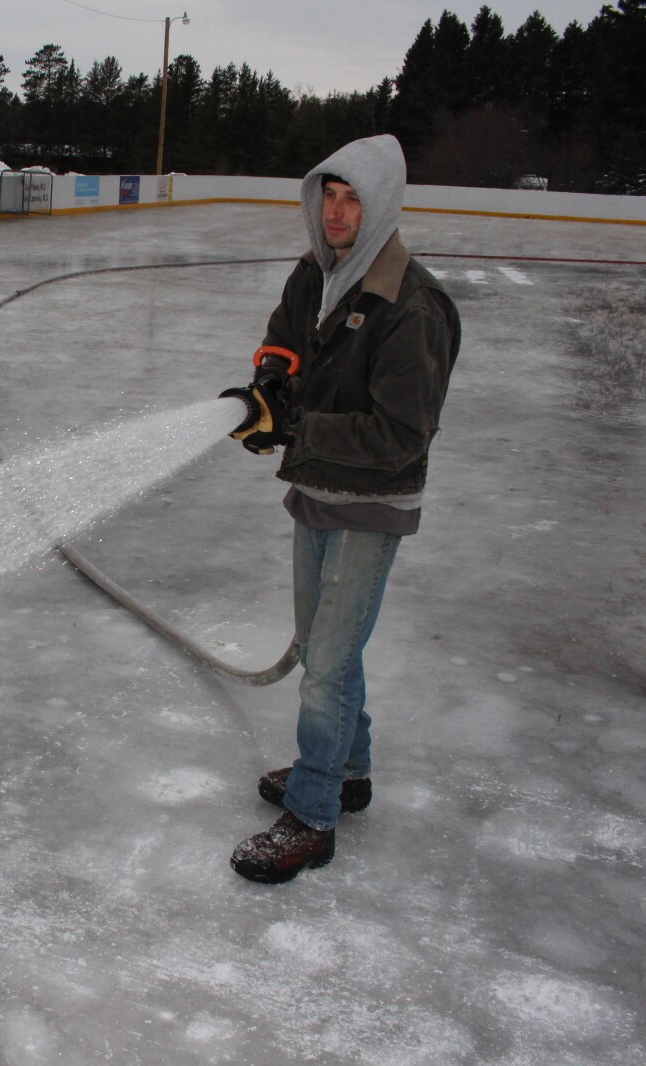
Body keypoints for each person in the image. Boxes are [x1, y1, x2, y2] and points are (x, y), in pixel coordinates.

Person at [221, 133, 461, 884]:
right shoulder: (315, 275)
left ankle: (315, 813)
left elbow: (400, 435)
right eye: (327, 194)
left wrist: (295, 427)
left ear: (380, 203)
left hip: (372, 500)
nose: (334, 211)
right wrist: (268, 386)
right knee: (325, 647)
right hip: (316, 488)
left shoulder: (410, 306)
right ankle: (347, 771)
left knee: (323, 666)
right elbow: (283, 342)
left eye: (351, 197)